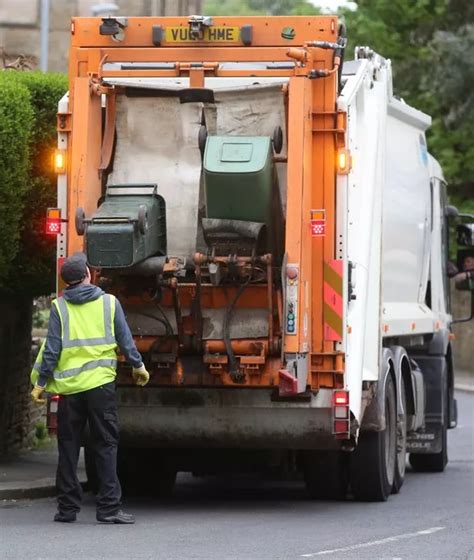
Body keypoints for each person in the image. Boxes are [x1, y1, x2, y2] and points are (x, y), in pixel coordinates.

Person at [30, 252, 150, 524]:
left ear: (67, 282)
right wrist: (138, 366)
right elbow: (125, 339)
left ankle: (67, 509)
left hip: (70, 389)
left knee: (68, 447)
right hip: (101, 386)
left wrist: (40, 383)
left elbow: (51, 350)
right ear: (87, 274)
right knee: (105, 444)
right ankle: (108, 508)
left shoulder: (59, 308)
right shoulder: (109, 303)